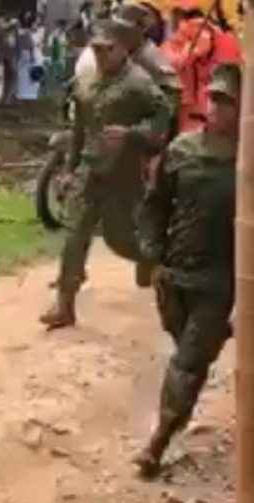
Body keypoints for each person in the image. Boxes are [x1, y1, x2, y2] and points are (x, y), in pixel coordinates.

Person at [135, 63, 240, 478]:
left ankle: (157, 442)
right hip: (175, 275)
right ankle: (212, 340)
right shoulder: (181, 151)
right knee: (185, 344)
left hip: (219, 282)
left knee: (187, 362)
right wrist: (153, 256)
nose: (216, 107)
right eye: (213, 98)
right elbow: (154, 206)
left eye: (226, 101)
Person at [41, 19, 170, 330]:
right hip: (90, 169)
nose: (100, 56)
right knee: (75, 234)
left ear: (122, 49)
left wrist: (132, 134)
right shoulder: (85, 81)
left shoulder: (139, 83)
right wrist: (69, 170)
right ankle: (64, 304)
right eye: (96, 49)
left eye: (106, 50)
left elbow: (163, 118)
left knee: (120, 240)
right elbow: (78, 130)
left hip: (124, 174)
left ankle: (160, 265)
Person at [162, 1, 241, 133]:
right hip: (224, 99)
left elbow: (173, 61)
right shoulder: (227, 37)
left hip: (196, 103)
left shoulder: (193, 30)